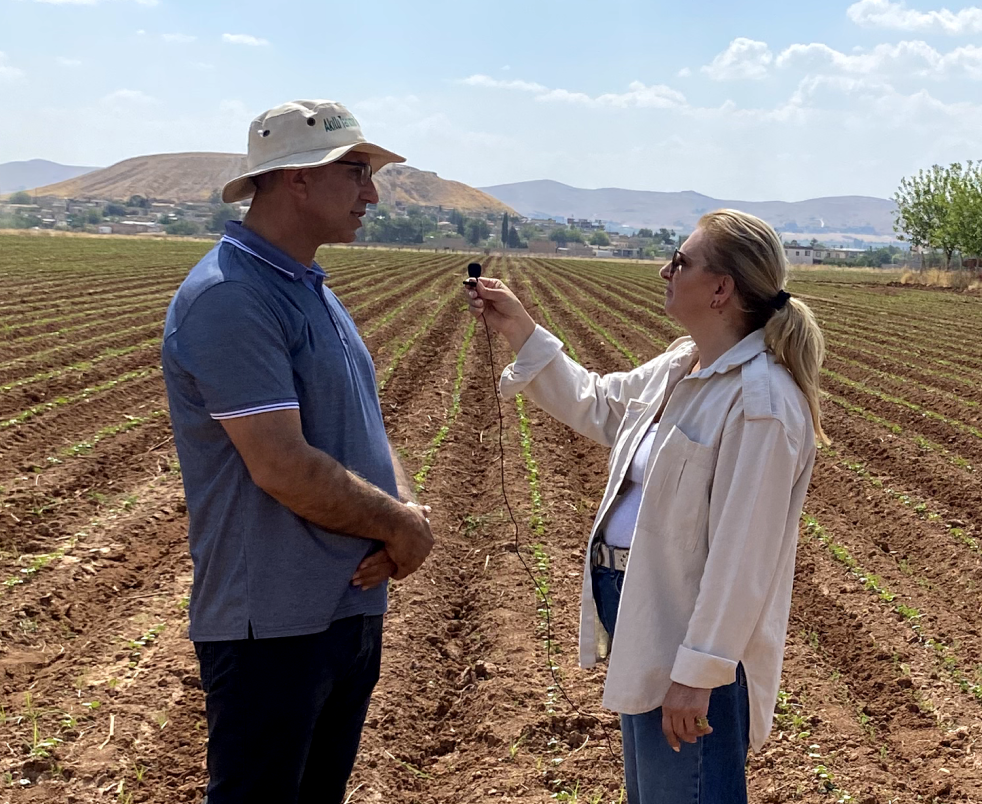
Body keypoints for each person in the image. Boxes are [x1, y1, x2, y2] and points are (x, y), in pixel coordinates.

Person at [465, 209, 825, 803]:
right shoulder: (683, 365)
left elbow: (742, 559)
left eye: (680, 261)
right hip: (641, 608)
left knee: (685, 791)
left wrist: (698, 674)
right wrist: (522, 333)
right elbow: (601, 404)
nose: (665, 270)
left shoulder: (760, 402)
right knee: (658, 791)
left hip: (688, 634)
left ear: (721, 289)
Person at [160, 99, 433, 802]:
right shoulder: (231, 297)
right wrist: (400, 526)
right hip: (272, 625)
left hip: (342, 609)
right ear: (297, 180)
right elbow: (282, 465)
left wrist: (402, 503)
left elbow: (362, 425)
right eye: (356, 172)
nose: (372, 193)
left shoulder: (308, 287)